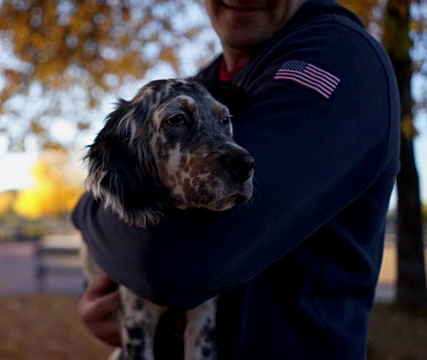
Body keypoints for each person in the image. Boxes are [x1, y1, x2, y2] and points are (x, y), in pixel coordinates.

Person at [73, 0, 400, 358]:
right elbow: (117, 181)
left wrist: (90, 214)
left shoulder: (337, 59)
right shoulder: (205, 84)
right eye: (178, 122)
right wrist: (92, 209)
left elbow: (170, 264)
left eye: (224, 122)